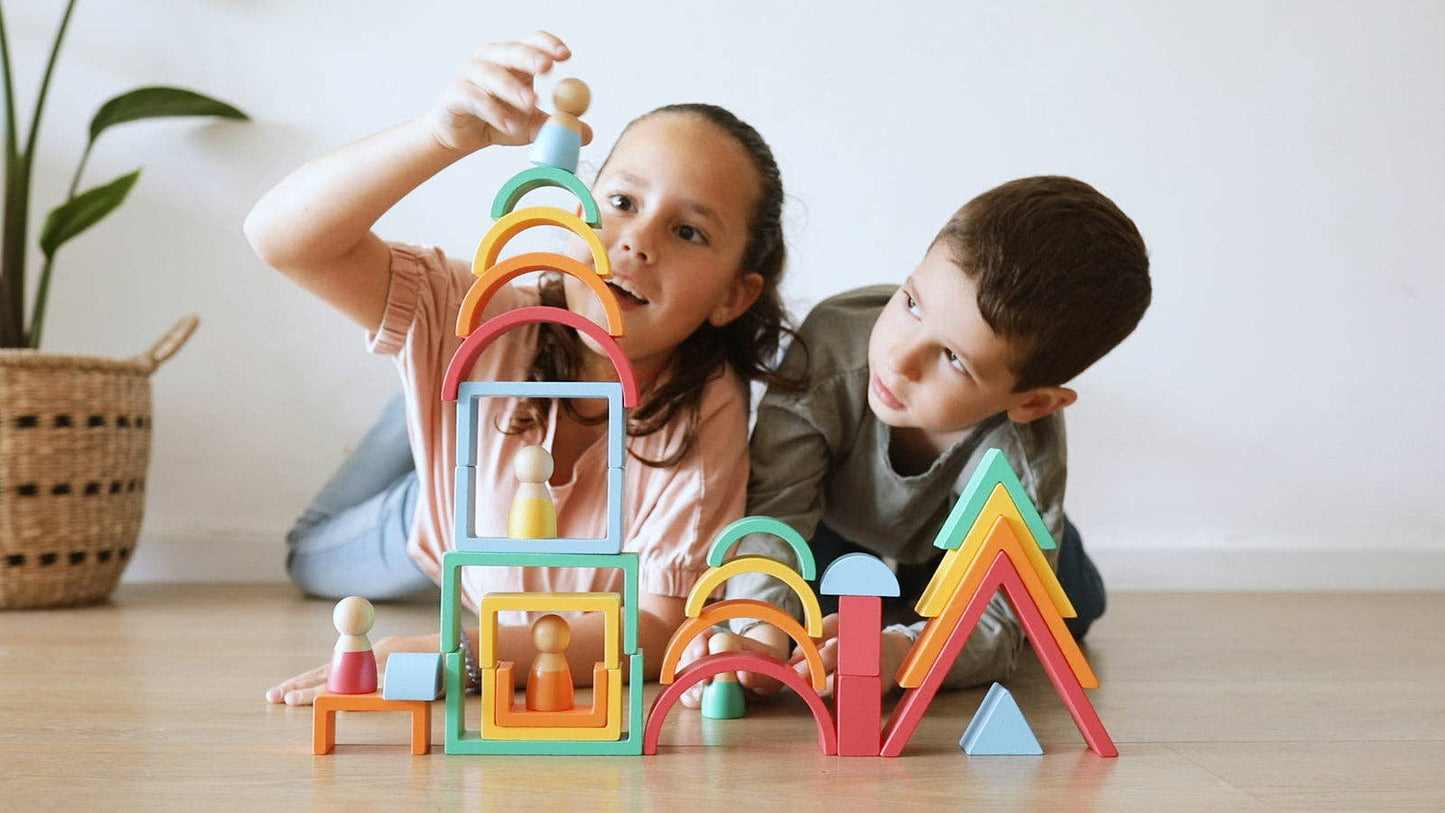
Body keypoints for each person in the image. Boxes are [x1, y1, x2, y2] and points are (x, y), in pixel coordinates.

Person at [245, 31, 793, 705]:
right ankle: (426, 409)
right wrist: (440, 135)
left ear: (734, 296)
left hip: (503, 532)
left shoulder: (703, 409)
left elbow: (656, 627)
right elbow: (280, 236)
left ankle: (430, 399)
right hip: (452, 504)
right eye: (621, 201)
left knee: (451, 373)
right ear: (575, 211)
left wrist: (467, 654)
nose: (636, 241)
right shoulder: (490, 311)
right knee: (308, 558)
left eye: (687, 232)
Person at [682, 175, 1150, 705]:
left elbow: (997, 620)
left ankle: (1048, 544)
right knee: (811, 605)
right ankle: (901, 597)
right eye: (911, 304)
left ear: (1033, 402)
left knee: (1066, 611)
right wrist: (758, 624)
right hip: (831, 519)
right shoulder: (832, 349)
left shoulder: (1023, 453)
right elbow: (776, 509)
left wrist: (907, 655)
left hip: (955, 543)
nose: (899, 360)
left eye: (953, 359)